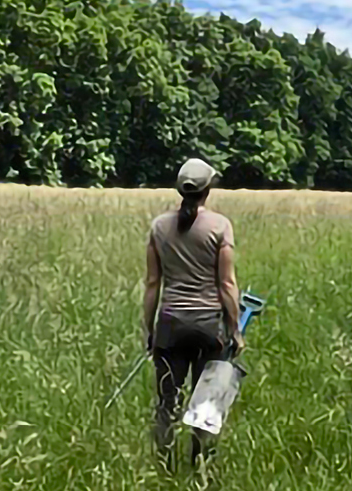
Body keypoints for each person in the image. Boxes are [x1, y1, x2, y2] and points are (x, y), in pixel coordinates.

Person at [143, 158, 242, 469]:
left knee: (166, 404)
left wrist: (150, 330)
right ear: (207, 189)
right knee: (207, 406)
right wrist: (235, 329)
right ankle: (200, 470)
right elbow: (227, 284)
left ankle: (163, 468)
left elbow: (152, 283)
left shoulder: (159, 226)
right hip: (208, 326)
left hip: (170, 325)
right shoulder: (220, 226)